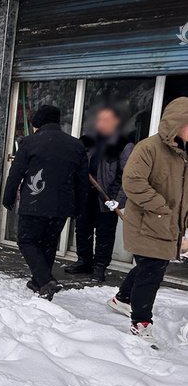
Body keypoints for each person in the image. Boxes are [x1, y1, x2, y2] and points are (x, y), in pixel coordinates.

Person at [107, 97, 188, 347]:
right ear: (177, 124)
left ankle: (122, 298)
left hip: (169, 224)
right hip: (147, 223)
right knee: (152, 271)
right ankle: (141, 321)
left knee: (148, 267)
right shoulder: (148, 148)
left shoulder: (185, 154)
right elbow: (132, 182)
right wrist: (162, 208)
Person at [3, 105, 89, 301]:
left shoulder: (30, 142)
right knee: (48, 243)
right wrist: (79, 207)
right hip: (62, 205)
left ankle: (45, 280)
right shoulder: (76, 145)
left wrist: (8, 199)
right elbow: (82, 180)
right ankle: (38, 282)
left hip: (34, 200)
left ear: (38, 124)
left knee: (26, 241)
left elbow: (16, 173)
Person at [66, 106, 134, 282]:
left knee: (104, 233)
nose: (101, 123)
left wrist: (118, 200)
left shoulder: (123, 145)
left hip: (106, 197)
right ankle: (84, 261)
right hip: (86, 194)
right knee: (82, 229)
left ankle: (99, 267)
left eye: (106, 119)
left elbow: (127, 176)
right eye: (99, 119)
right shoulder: (87, 141)